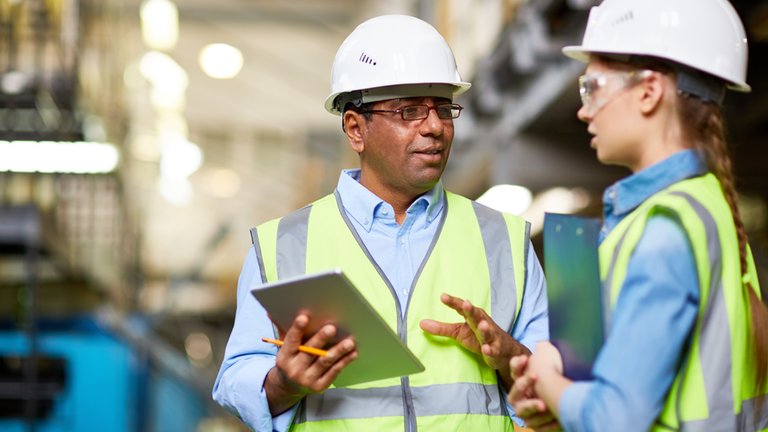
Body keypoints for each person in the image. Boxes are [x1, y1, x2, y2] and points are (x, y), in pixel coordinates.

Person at [213, 14, 549, 431]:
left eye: (444, 108)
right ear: (355, 129)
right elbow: (235, 379)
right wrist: (284, 382)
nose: (435, 127)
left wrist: (511, 357)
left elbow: (553, 394)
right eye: (411, 110)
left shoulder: (504, 240)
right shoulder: (282, 246)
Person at [507, 0, 768, 431]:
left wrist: (545, 377)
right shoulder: (702, 208)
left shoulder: (667, 228)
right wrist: (558, 397)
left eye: (592, 87)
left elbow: (614, 419)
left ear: (649, 92)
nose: (583, 109)